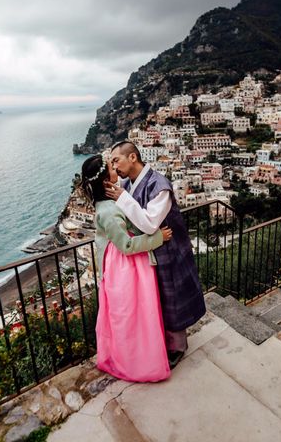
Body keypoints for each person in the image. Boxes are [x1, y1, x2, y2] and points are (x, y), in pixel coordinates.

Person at [105, 141, 206, 369]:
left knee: (173, 299)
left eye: (116, 160)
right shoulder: (128, 183)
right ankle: (162, 342)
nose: (114, 166)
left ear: (132, 157)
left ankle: (178, 347)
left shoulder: (159, 186)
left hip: (170, 251)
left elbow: (150, 223)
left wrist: (122, 198)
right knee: (158, 298)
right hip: (152, 250)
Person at [81, 154, 172, 382]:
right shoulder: (109, 211)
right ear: (105, 181)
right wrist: (158, 237)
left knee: (133, 314)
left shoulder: (108, 202)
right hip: (125, 266)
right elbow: (127, 244)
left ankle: (138, 357)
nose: (116, 169)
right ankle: (138, 363)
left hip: (122, 264)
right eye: (112, 167)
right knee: (134, 313)